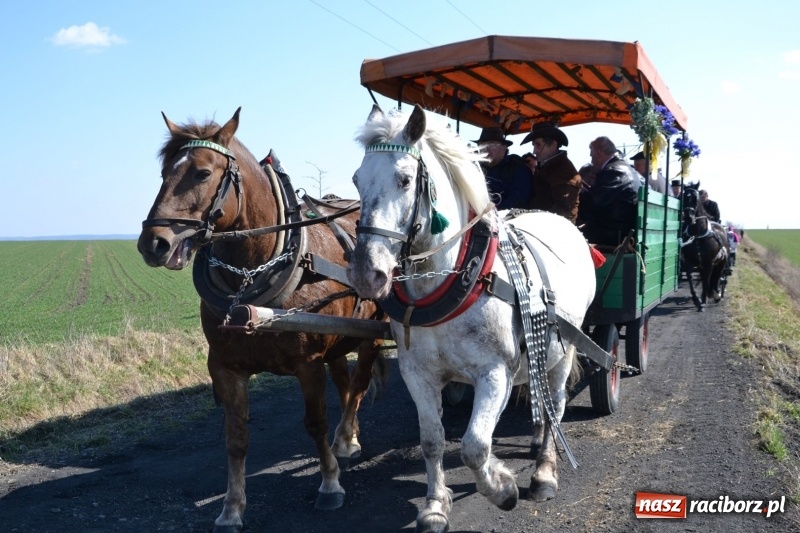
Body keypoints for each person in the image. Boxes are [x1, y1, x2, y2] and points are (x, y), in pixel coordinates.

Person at [578, 136, 639, 247]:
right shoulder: (624, 168)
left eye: (592, 156)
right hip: (622, 230)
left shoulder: (613, 171)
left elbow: (592, 204)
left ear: (598, 154)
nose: (592, 161)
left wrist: (576, 194)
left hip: (615, 234)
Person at [520, 122, 581, 223]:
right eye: (534, 145)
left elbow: (562, 213)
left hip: (551, 231)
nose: (534, 151)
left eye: (538, 145)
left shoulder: (565, 171)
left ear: (553, 145)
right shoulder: (544, 167)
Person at [473, 127, 532, 210]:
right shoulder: (472, 169)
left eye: (492, 145)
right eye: (482, 145)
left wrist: (492, 213)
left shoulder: (519, 170)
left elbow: (518, 201)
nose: (486, 149)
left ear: (504, 148)